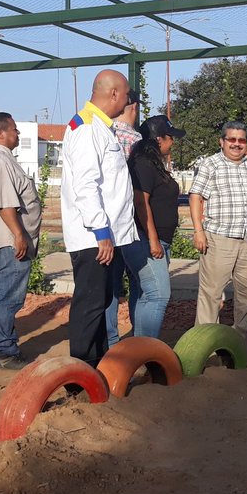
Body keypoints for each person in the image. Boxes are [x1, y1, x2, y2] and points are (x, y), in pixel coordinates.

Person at [61, 70, 139, 366]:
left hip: (106, 236)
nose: (129, 100)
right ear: (115, 94)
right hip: (94, 237)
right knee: (90, 305)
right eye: (128, 94)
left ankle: (99, 366)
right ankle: (80, 373)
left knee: (102, 302)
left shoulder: (101, 128)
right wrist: (101, 232)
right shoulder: (86, 128)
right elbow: (85, 185)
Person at [189, 121, 247, 334]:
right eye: (232, 140)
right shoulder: (210, 164)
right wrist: (198, 231)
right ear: (222, 141)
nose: (237, 144)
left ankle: (241, 342)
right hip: (219, 239)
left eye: (241, 140)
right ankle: (205, 342)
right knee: (211, 293)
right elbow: (196, 196)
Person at [0, 112, 42, 369]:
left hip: (1, 241)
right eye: (14, 130)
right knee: (7, 298)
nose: (18, 134)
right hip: (7, 242)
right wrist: (19, 235)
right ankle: (4, 351)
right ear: (1, 133)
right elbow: (6, 205)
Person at [117, 114, 186, 338]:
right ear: (158, 139)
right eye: (170, 137)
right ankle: (146, 350)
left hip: (154, 240)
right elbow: (140, 201)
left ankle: (139, 347)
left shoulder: (152, 164)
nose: (172, 142)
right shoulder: (143, 164)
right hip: (145, 240)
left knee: (143, 292)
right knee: (158, 295)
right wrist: (153, 240)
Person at [104, 90, 142, 346]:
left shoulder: (103, 133)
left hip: (105, 223)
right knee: (139, 281)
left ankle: (110, 339)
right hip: (131, 223)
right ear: (134, 107)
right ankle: (139, 340)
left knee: (109, 285)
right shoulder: (136, 139)